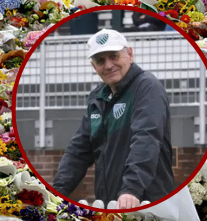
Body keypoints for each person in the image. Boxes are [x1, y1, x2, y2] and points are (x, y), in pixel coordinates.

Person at [52, 29, 174, 208]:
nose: (108, 65)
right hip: (110, 203)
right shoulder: (97, 97)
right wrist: (56, 192)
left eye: (114, 56)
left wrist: (132, 189)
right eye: (101, 60)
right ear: (94, 67)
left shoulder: (146, 87)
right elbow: (78, 152)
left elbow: (146, 138)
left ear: (129, 54)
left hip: (147, 202)